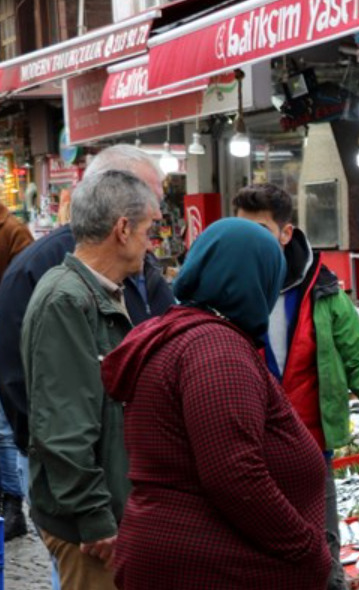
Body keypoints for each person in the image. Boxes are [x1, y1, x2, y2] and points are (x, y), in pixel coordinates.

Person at [101, 218, 331, 590]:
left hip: (189, 559)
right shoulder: (216, 350)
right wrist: (307, 549)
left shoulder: (186, 332)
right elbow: (234, 474)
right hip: (208, 568)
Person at [234, 183, 359, 589]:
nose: (250, 244)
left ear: (286, 233)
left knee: (323, 560)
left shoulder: (325, 291)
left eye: (261, 231)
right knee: (255, 562)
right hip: (244, 453)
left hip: (311, 449)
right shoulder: (227, 292)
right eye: (241, 231)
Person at [0, 144, 174, 489]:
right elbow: (20, 381)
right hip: (80, 477)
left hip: (133, 463)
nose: (156, 214)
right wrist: (70, 475)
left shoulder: (140, 261)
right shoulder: (42, 273)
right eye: (145, 199)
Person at [21, 170, 162, 590]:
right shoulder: (66, 300)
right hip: (89, 530)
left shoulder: (96, 292)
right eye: (149, 228)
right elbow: (63, 428)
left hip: (109, 513)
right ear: (122, 229)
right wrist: (95, 517)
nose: (152, 241)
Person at [0, 200, 33, 541]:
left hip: (4, 341)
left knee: (4, 430)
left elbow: (22, 291)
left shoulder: (13, 231)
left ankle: (13, 504)